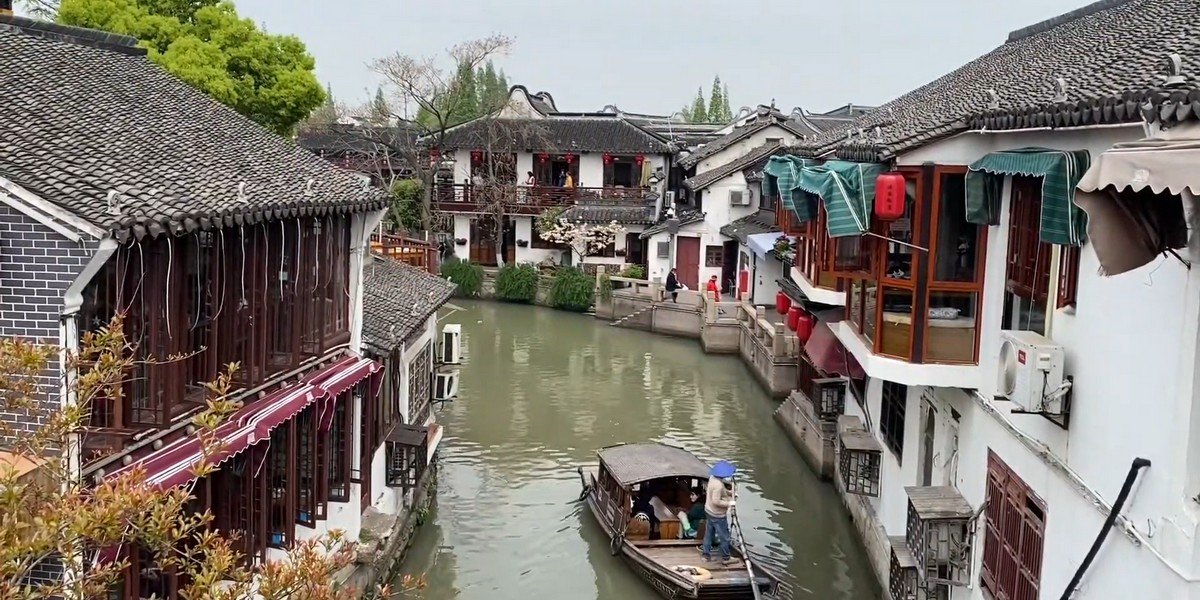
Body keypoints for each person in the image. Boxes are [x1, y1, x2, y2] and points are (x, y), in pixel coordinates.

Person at [702, 461, 736, 564]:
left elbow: (720, 492)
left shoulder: (712, 478)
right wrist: (730, 503)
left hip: (709, 511)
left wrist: (729, 493)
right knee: (724, 536)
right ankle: (726, 557)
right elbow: (716, 501)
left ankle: (706, 554)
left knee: (709, 534)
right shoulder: (718, 485)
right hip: (717, 515)